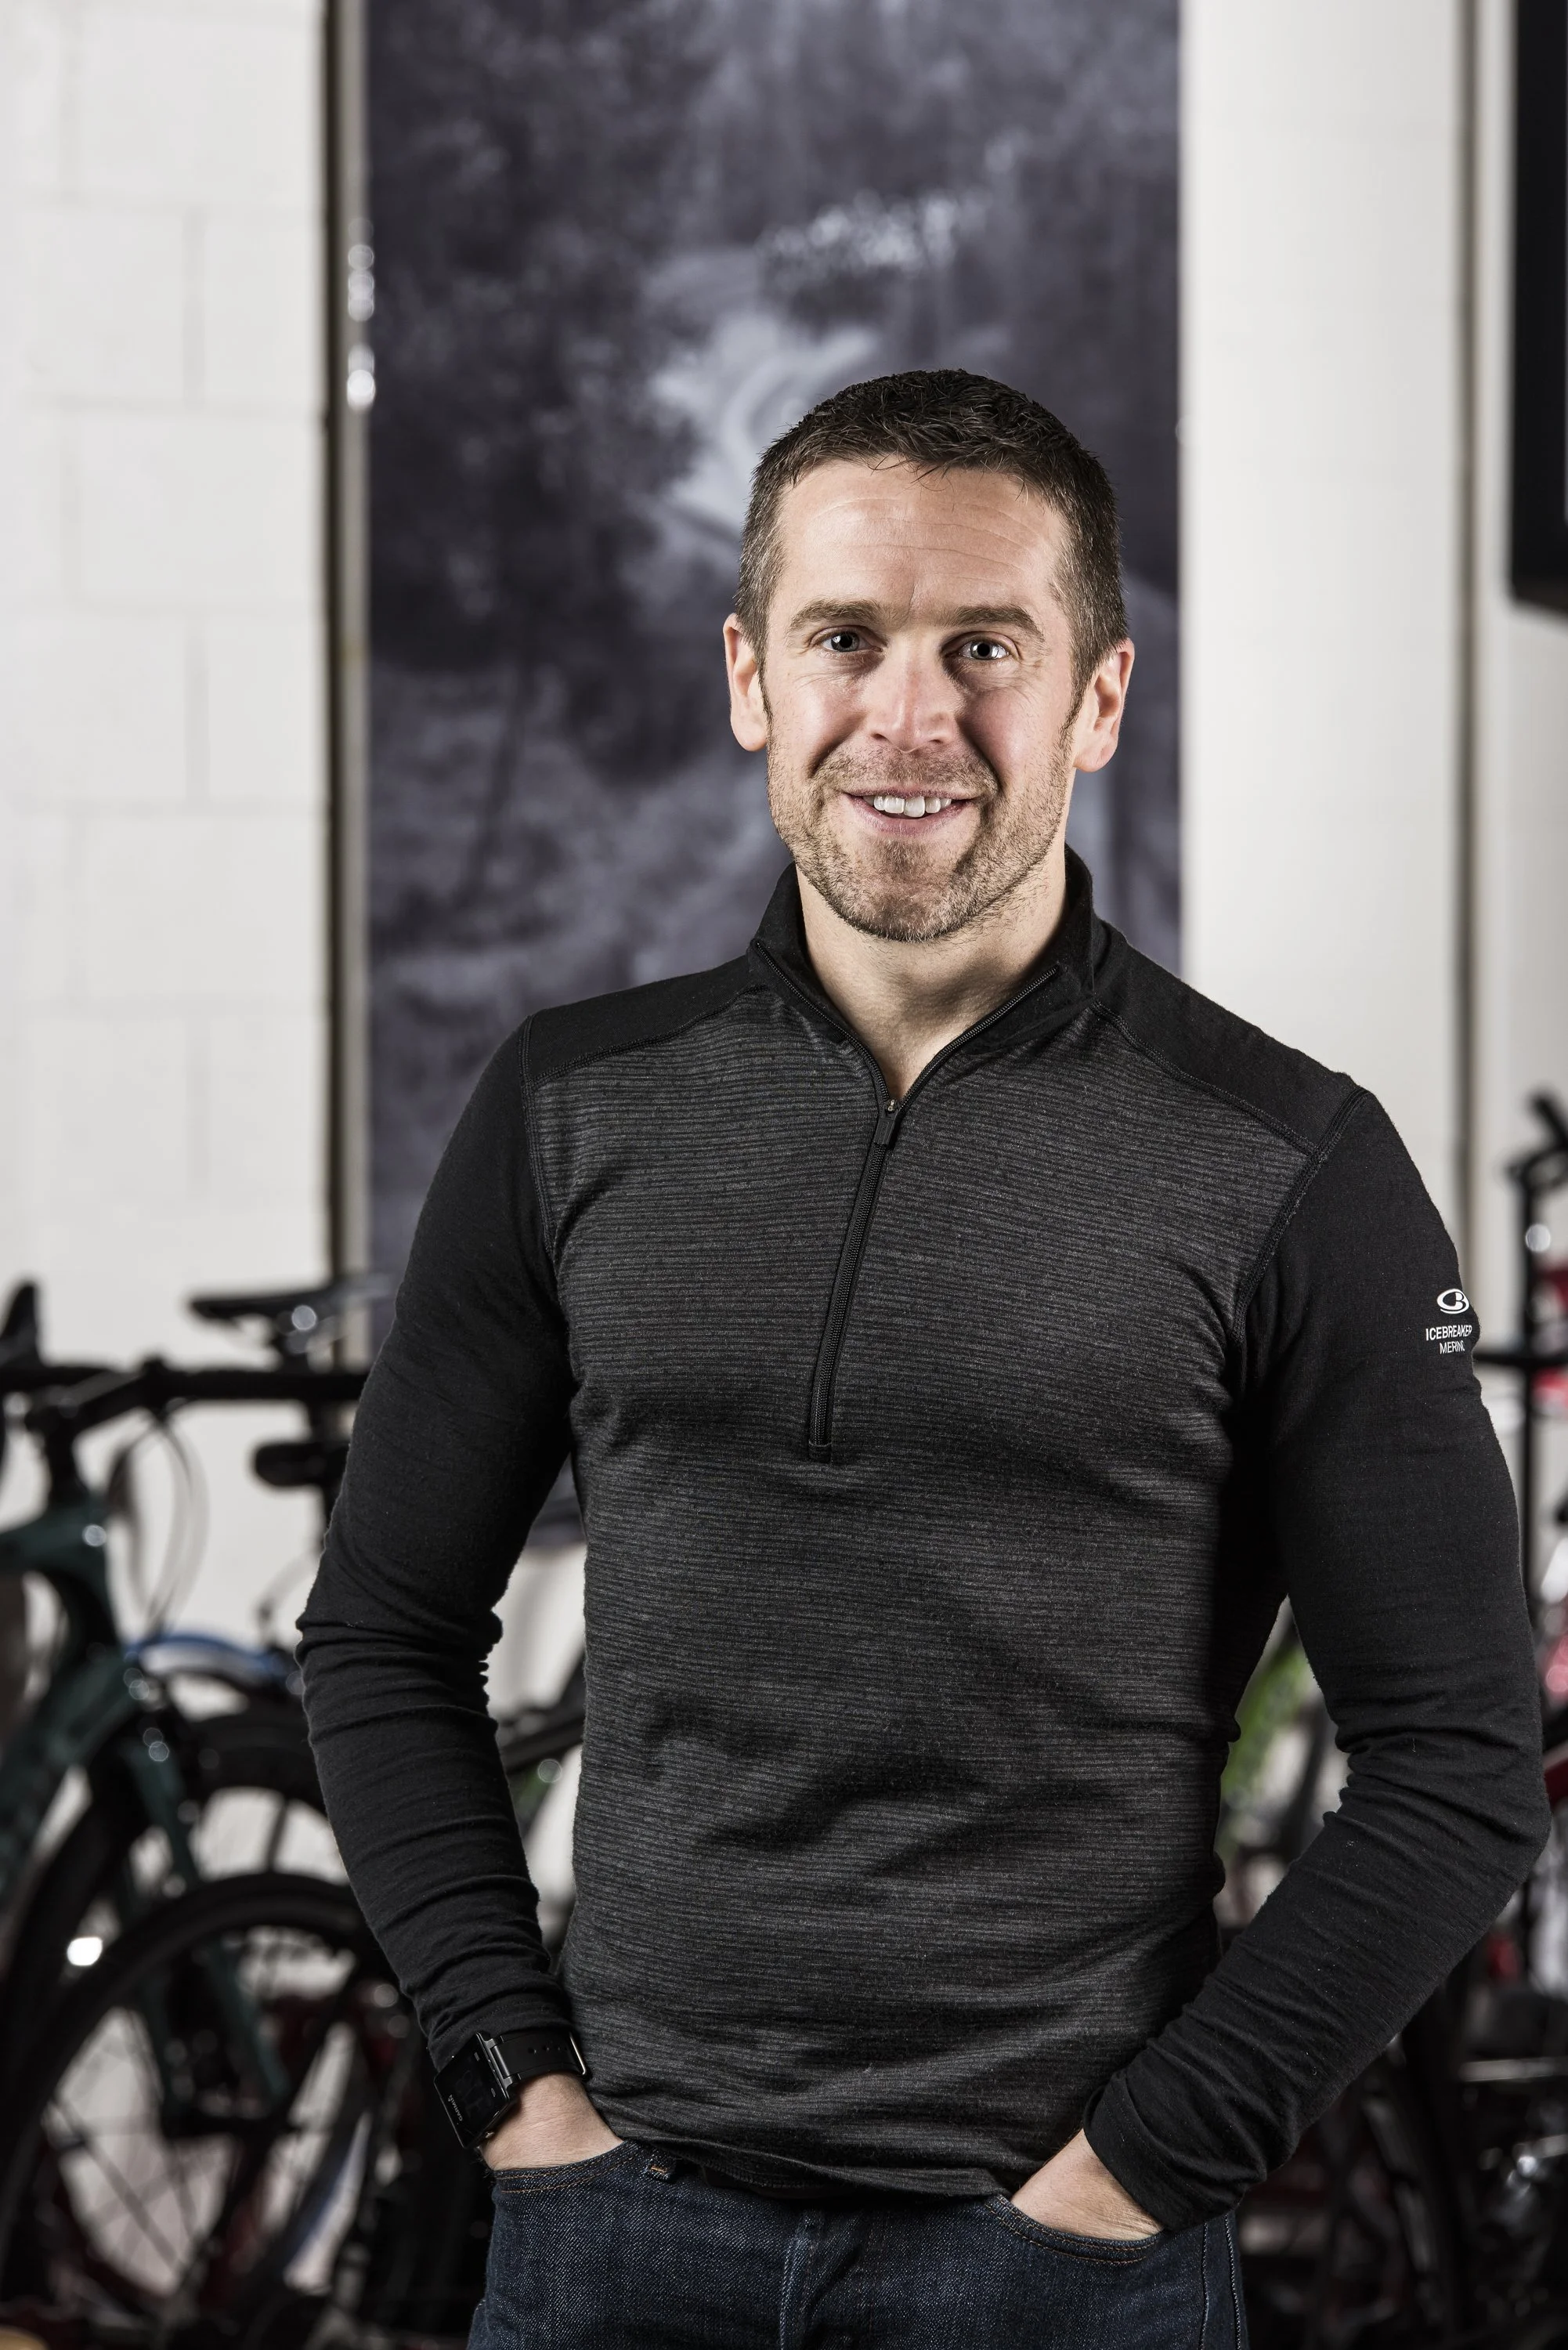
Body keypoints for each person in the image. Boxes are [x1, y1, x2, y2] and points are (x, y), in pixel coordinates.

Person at [298, 370, 1547, 2348]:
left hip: (1053, 2262)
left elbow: (1458, 1761)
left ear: (1096, 699)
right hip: (611, 2242)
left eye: (984, 646)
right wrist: (513, 2096)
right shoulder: (566, 1106)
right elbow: (379, 1634)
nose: (907, 717)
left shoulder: (1289, 1163)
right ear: (749, 677)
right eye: (843, 639)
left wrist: (1137, 2174)